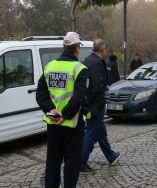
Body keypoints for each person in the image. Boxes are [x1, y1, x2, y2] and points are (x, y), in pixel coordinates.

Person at [36, 32, 88, 188]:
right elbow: (78, 98)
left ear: (64, 47)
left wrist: (52, 112)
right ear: (77, 48)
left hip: (53, 123)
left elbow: (40, 95)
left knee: (53, 161)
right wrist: (64, 115)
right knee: (72, 162)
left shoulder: (49, 66)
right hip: (72, 124)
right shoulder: (79, 68)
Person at [80, 39, 120, 174]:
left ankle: (111, 156)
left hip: (89, 102)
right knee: (91, 134)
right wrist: (104, 93)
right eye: (105, 49)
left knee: (100, 130)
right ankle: (81, 164)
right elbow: (97, 86)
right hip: (96, 104)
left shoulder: (86, 61)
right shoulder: (97, 63)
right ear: (102, 50)